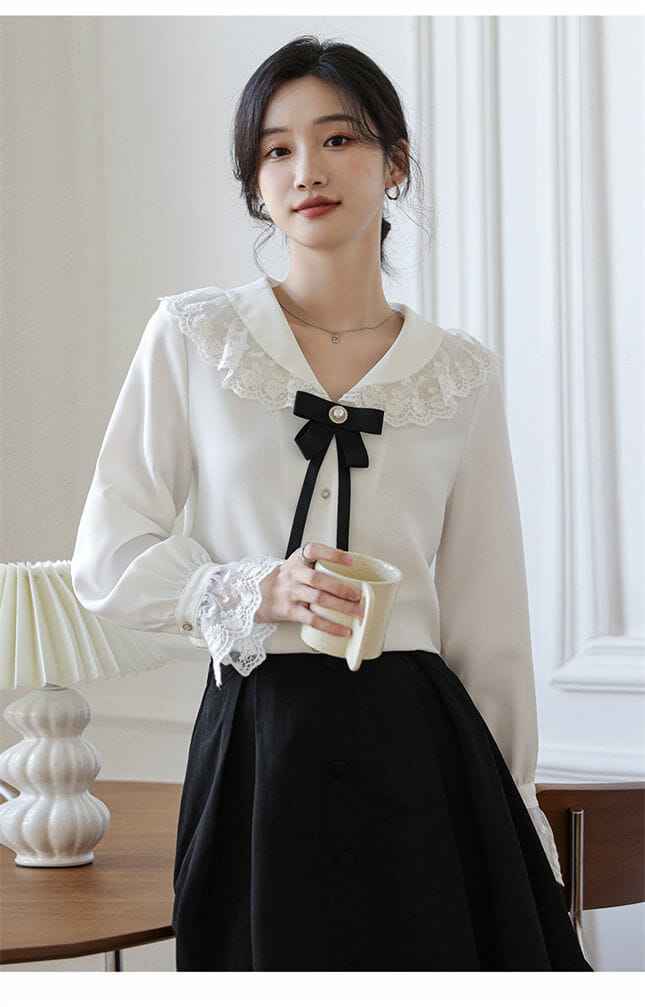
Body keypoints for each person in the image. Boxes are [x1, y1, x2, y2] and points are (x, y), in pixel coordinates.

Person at [71, 36, 593, 972]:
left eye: (337, 139)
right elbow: (109, 553)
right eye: (275, 149)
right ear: (255, 183)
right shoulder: (195, 337)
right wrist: (257, 588)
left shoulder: (458, 374)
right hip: (258, 741)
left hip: (422, 752)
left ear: (394, 162)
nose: (305, 169)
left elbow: (488, 623)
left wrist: (513, 812)